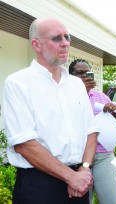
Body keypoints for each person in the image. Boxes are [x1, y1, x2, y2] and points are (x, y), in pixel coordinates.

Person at [3, 18, 99, 204]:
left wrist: (84, 169)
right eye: (56, 38)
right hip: (39, 187)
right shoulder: (18, 83)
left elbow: (91, 131)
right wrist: (70, 177)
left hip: (80, 182)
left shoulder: (77, 84)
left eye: (67, 37)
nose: (65, 43)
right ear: (36, 45)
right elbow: (24, 144)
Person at [69, 59, 116, 204]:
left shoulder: (101, 97)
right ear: (70, 76)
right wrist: (80, 91)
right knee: (84, 200)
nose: (84, 76)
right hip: (79, 158)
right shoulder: (66, 97)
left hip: (104, 155)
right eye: (80, 73)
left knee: (114, 201)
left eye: (87, 73)